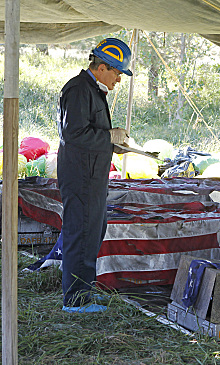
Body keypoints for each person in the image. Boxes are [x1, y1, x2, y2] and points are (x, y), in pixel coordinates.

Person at [57, 38, 132, 313]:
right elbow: (73, 134)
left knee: (93, 232)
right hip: (80, 175)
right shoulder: (79, 89)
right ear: (101, 68)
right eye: (117, 73)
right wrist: (108, 137)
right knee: (81, 233)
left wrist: (113, 144)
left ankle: (84, 292)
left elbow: (88, 134)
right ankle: (75, 301)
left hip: (92, 175)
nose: (118, 80)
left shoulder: (92, 90)